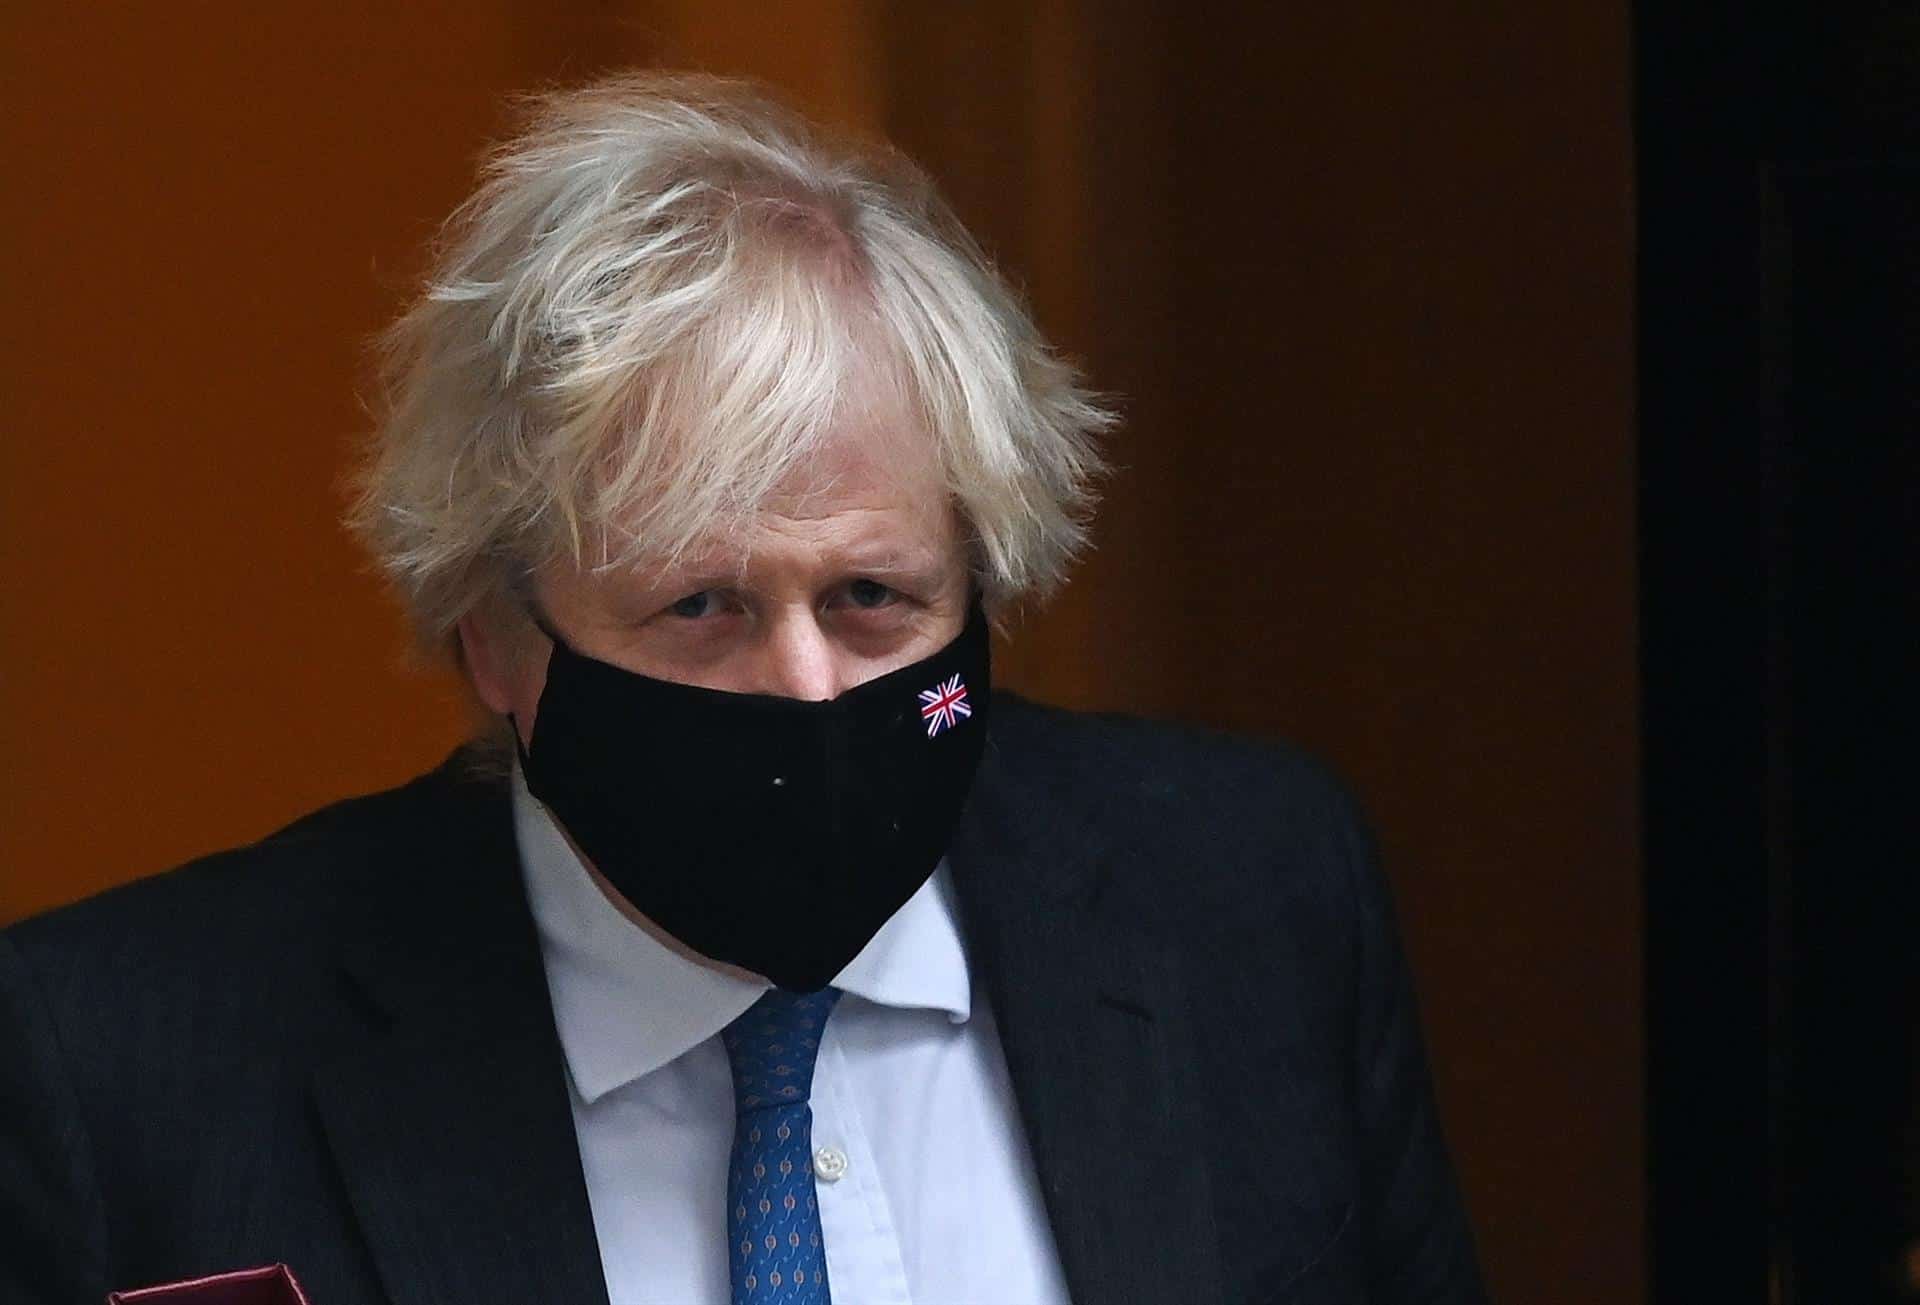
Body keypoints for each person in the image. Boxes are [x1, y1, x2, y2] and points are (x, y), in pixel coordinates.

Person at [0, 73, 1486, 1304]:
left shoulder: (1251, 902)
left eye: (873, 598)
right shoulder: (121, 1066)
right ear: (493, 640)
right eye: (700, 604)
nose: (803, 686)